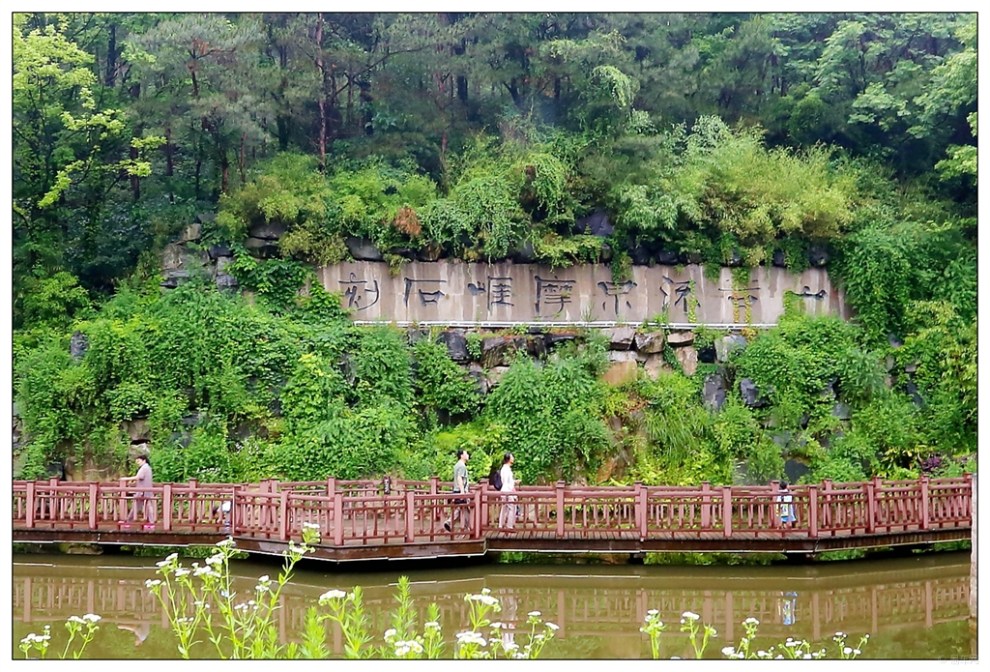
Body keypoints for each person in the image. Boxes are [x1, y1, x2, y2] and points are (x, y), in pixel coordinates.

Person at [123, 454, 156, 528]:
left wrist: (125, 479)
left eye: (138, 461)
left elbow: (139, 477)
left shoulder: (144, 468)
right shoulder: (147, 468)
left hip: (142, 491)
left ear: (143, 460)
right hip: (146, 490)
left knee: (137, 506)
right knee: (147, 506)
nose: (137, 463)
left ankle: (129, 521)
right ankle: (151, 523)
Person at [444, 449, 470, 532]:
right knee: (461, 508)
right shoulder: (462, 466)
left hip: (456, 489)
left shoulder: (457, 465)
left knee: (462, 508)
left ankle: (468, 527)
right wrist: (462, 491)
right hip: (460, 490)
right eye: (466, 453)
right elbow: (459, 478)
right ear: (462, 455)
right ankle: (449, 522)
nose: (468, 455)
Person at [498, 452, 517, 531]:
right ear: (508, 459)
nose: (513, 458)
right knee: (511, 507)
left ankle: (501, 525)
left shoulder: (505, 468)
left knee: (504, 507)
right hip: (507, 490)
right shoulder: (506, 469)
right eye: (512, 457)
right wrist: (512, 489)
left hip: (504, 490)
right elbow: (506, 482)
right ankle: (509, 526)